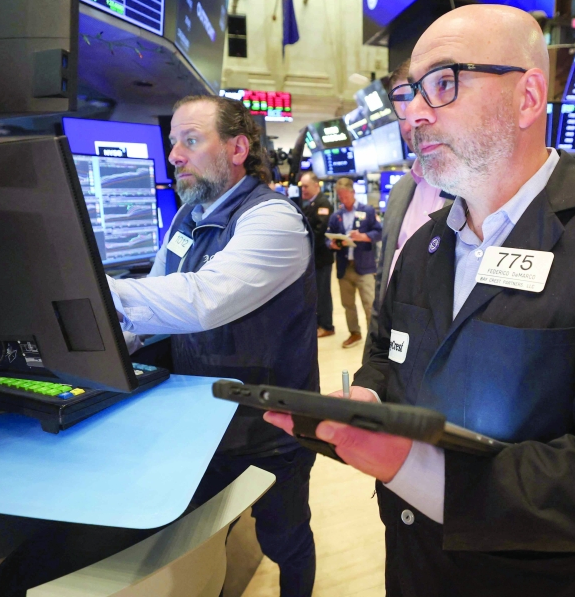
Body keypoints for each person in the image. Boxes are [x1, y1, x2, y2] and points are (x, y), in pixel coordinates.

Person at [266, 4, 575, 596]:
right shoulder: (426, 244)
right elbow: (388, 352)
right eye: (410, 92)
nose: (415, 114)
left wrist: (416, 466)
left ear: (528, 96)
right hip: (412, 568)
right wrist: (368, 398)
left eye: (445, 83)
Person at [108, 95, 319, 597]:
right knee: (199, 540)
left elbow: (203, 300)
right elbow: (159, 301)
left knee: (283, 539)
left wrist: (87, 289)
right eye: (173, 142)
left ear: (239, 147)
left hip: (272, 429)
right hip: (202, 423)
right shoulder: (185, 218)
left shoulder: (273, 220)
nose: (175, 155)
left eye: (191, 140)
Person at [365, 59, 452, 359]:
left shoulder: (472, 190)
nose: (411, 120)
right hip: (391, 346)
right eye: (402, 104)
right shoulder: (402, 190)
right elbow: (383, 279)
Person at [327, 177, 382, 348]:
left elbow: (379, 232)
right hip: (345, 266)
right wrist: (333, 243)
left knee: (369, 304)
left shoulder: (367, 211)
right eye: (340, 197)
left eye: (345, 196)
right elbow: (328, 238)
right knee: (348, 304)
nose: (343, 200)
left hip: (364, 266)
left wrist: (363, 237)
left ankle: (374, 339)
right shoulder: (336, 216)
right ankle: (354, 333)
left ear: (353, 192)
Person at [299, 170, 336, 337]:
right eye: (302, 187)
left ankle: (327, 325)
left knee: (323, 293)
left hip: (321, 257)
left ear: (316, 185)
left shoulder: (323, 204)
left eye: (306, 186)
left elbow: (318, 232)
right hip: (314, 258)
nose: (303, 190)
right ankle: (319, 323)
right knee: (316, 293)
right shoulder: (311, 205)